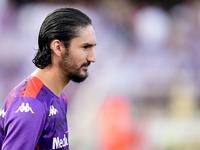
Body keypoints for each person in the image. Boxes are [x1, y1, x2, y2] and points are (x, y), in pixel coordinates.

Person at [0, 7, 96, 150]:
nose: (93, 58)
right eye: (85, 47)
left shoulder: (58, 98)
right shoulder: (31, 106)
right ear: (58, 47)